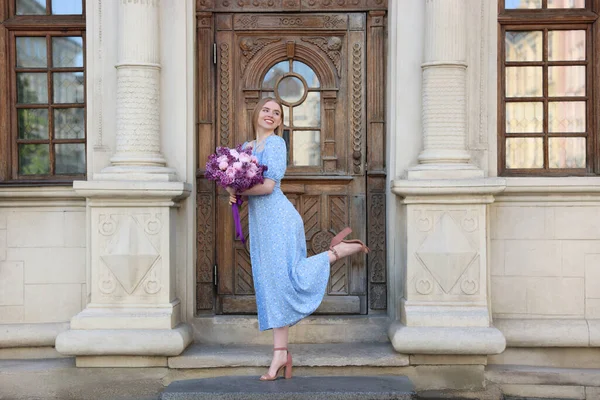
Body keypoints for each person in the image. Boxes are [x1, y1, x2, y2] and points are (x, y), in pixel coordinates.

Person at [226, 97, 369, 381]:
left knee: (288, 279)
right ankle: (280, 353)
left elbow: (267, 187)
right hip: (261, 225)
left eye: (276, 113)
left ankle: (336, 252)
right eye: (266, 110)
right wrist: (230, 189)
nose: (270, 115)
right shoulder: (244, 148)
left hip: (280, 220)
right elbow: (238, 183)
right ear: (256, 113)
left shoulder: (277, 144)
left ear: (280, 121)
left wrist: (240, 190)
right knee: (274, 286)